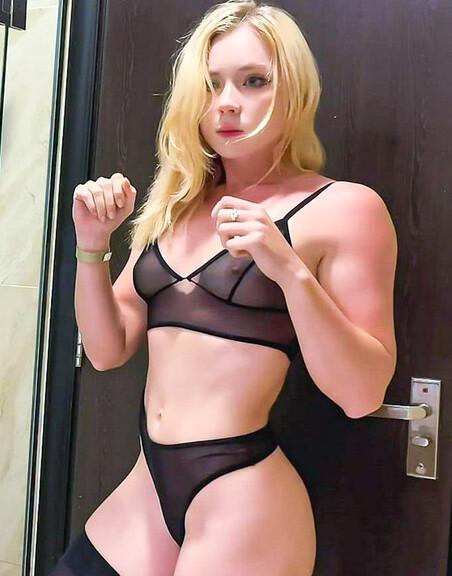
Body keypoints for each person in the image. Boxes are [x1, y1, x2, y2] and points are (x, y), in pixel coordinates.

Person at [49, 1, 397, 574]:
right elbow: (108, 351)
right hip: (147, 484)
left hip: (240, 493)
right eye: (210, 85)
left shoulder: (344, 208)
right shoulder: (175, 205)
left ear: (295, 90)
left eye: (254, 80)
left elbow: (362, 395)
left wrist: (289, 272)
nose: (227, 103)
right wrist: (91, 246)